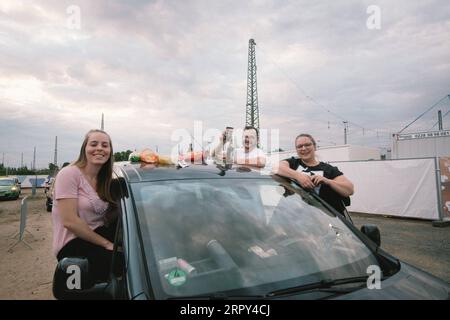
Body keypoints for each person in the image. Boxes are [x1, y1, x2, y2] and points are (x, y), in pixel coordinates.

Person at [52, 129, 118, 282]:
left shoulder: (105, 179)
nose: (100, 148)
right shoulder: (69, 174)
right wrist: (107, 244)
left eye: (105, 145)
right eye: (94, 144)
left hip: (99, 234)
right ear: (84, 149)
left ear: (110, 151)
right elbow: (70, 221)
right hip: (72, 243)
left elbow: (105, 217)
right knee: (119, 263)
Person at [275, 133, 354, 214]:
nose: (303, 148)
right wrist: (298, 176)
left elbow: (349, 189)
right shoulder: (293, 163)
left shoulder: (329, 169)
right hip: (296, 217)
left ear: (315, 147)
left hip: (324, 219)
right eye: (299, 146)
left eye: (307, 145)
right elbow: (276, 167)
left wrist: (328, 181)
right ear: (296, 150)